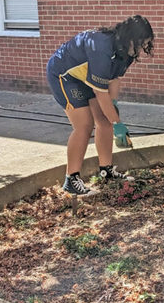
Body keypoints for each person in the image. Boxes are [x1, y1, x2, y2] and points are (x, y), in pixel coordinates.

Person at [46, 15, 154, 196]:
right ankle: (71, 179)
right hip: (64, 76)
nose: (143, 48)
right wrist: (118, 122)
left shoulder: (126, 52)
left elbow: (114, 80)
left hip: (86, 78)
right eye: (142, 43)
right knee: (84, 125)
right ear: (131, 38)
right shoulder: (102, 48)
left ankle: (106, 170)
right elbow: (100, 93)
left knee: (104, 121)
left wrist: (113, 106)